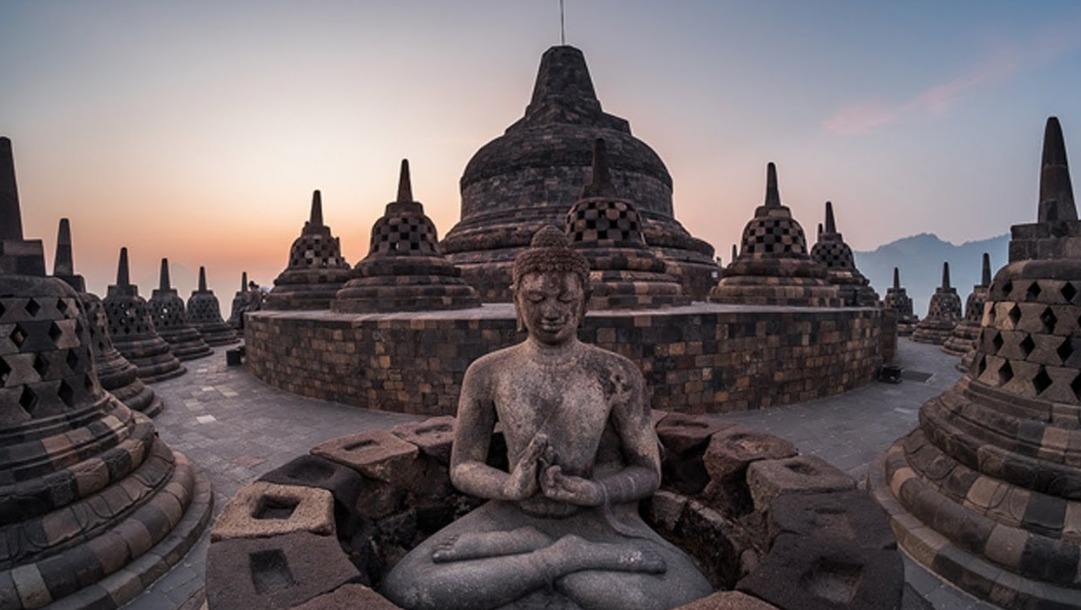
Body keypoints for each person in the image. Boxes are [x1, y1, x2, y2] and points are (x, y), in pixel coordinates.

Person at [382, 226, 712, 610]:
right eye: (536, 298)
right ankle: (555, 559)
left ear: (584, 301)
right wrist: (509, 488)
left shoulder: (616, 374)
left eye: (565, 298)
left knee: (684, 593)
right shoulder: (487, 372)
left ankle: (542, 565)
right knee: (409, 585)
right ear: (516, 301)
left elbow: (648, 470)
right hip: (510, 520)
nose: (551, 312)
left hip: (600, 523)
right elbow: (464, 466)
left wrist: (597, 492)